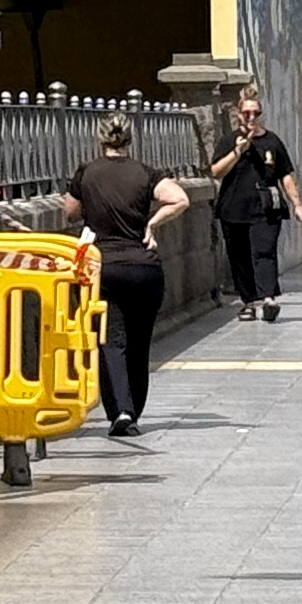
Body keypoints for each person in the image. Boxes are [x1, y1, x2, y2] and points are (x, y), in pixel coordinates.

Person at [62, 113, 188, 436]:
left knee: (110, 340)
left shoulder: (86, 173)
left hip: (104, 268)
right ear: (130, 139)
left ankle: (121, 411)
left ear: (100, 138)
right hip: (145, 269)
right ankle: (132, 410)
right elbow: (180, 199)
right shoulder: (145, 173)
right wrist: (152, 222)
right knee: (139, 343)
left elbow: (69, 212)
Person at [212, 85, 302, 321]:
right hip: (233, 209)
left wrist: (297, 204)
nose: (251, 118)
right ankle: (250, 301)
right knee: (239, 256)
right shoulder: (229, 141)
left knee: (264, 252)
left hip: (265, 208)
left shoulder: (272, 142)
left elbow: (285, 174)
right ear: (238, 114)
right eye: (246, 113)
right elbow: (216, 171)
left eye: (256, 113)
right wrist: (237, 151)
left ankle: (268, 298)